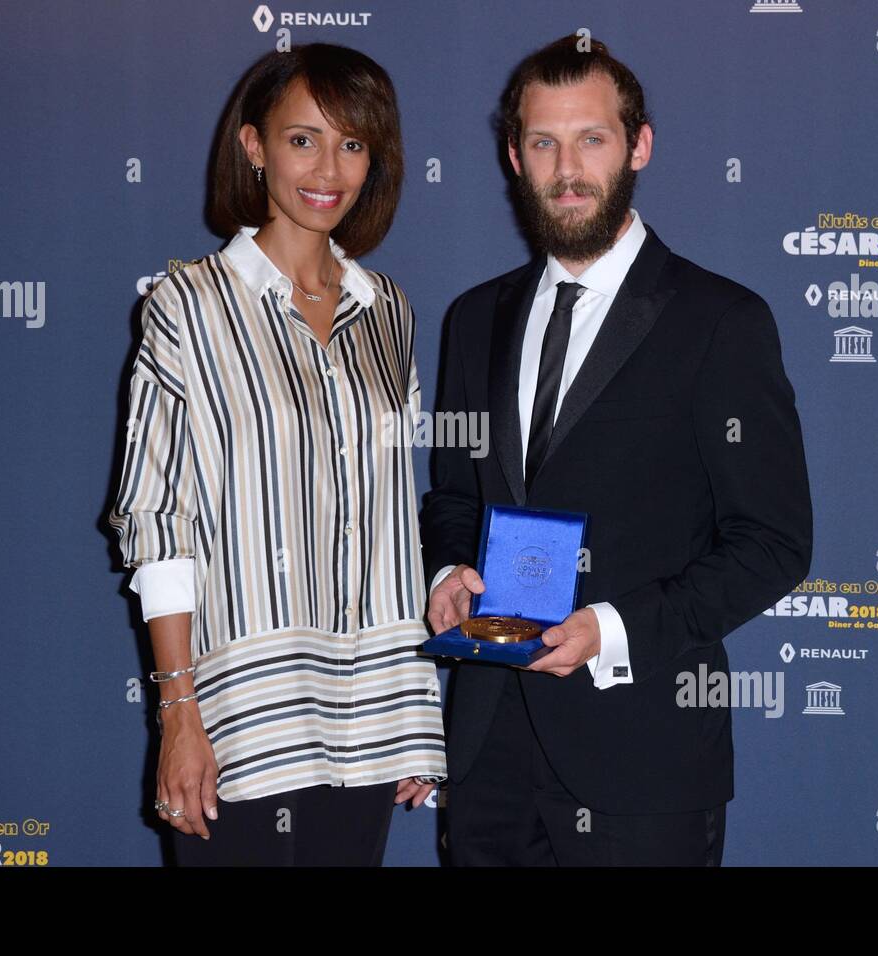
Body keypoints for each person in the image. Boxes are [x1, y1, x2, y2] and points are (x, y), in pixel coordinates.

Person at [421, 35, 813, 866]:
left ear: (639, 145)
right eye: (543, 142)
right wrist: (449, 571)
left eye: (591, 138)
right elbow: (454, 495)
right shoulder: (473, 319)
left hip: (646, 762)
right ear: (513, 156)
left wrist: (611, 628)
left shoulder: (721, 322)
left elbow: (772, 546)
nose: (568, 168)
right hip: (487, 754)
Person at [108, 43, 445, 867]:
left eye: (354, 143)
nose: (329, 167)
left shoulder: (388, 308)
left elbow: (390, 511)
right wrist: (179, 715)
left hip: (366, 716)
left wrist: (411, 710)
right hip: (242, 718)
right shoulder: (186, 304)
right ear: (253, 146)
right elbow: (158, 519)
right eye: (304, 139)